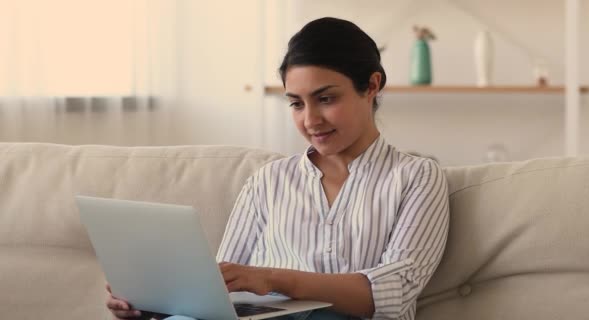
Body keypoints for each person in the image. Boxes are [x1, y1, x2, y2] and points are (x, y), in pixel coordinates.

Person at [105, 17, 450, 320]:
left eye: (326, 99)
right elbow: (222, 290)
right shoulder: (268, 181)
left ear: (372, 86)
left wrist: (272, 279)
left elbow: (394, 292)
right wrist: (152, 305)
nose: (310, 120)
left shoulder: (416, 177)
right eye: (297, 104)